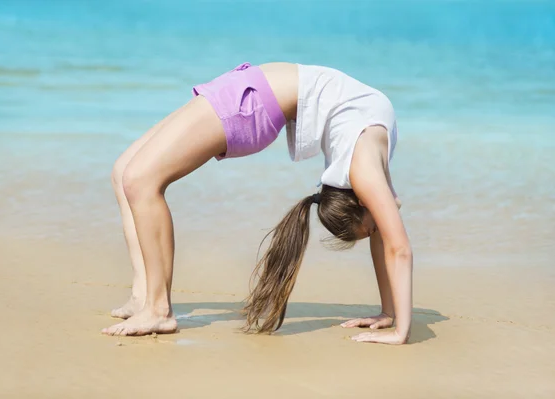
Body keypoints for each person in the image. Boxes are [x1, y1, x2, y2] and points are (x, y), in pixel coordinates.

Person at [102, 62, 412, 345]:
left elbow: (389, 240)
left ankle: (157, 308)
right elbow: (397, 247)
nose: (379, 228)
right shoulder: (367, 172)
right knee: (125, 172)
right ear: (362, 201)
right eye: (372, 228)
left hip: (253, 99)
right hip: (249, 96)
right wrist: (395, 324)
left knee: (140, 181)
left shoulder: (366, 165)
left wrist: (392, 318)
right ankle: (145, 297)